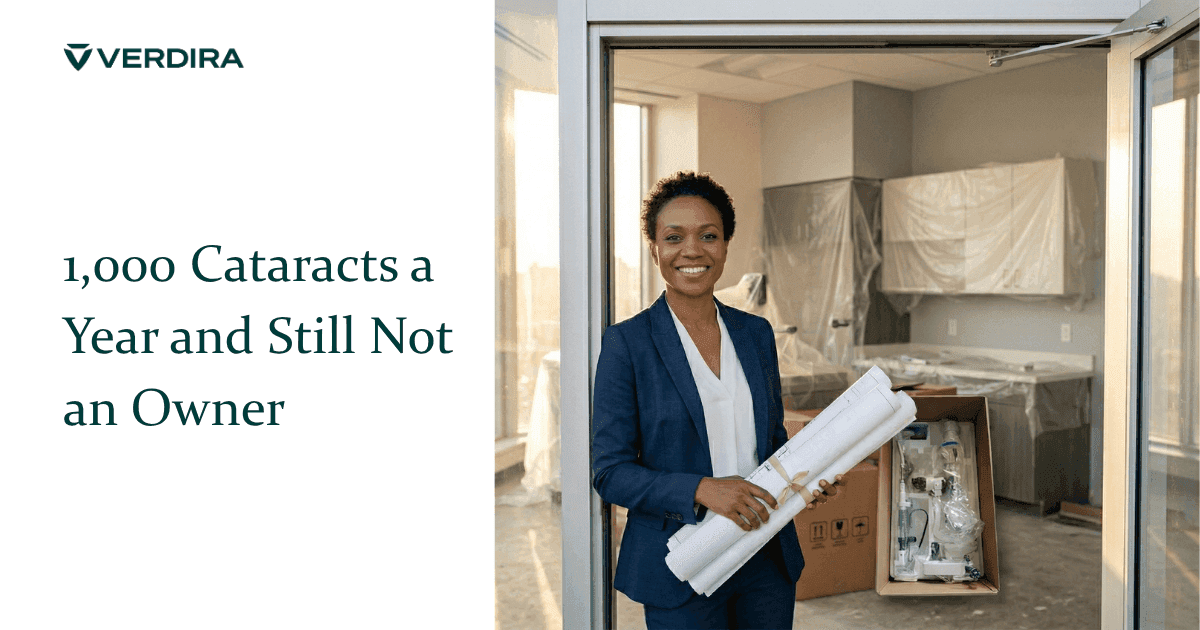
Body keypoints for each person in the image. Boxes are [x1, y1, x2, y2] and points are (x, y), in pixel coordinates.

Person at [592, 171, 843, 629]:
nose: (692, 250)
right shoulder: (627, 344)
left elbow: (770, 441)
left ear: (726, 245)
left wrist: (811, 473)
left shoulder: (755, 333)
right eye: (674, 237)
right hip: (682, 562)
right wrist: (702, 489)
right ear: (654, 248)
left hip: (765, 558)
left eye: (708, 235)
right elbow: (610, 472)